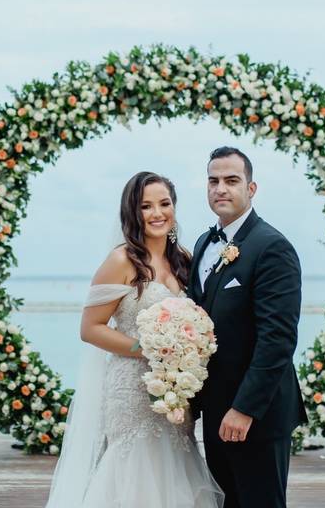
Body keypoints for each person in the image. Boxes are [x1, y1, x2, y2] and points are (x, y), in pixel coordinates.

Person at [45, 171, 224, 508]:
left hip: (174, 388)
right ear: (133, 212)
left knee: (176, 469)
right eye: (146, 206)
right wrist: (147, 348)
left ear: (174, 208)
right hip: (131, 389)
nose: (157, 213)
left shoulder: (184, 259)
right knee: (134, 474)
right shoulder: (121, 261)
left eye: (164, 203)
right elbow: (91, 327)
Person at [188, 146, 309, 508]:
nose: (220, 189)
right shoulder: (204, 242)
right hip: (216, 412)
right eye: (213, 181)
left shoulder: (272, 247)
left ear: (251, 189)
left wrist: (245, 409)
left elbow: (278, 339)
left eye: (231, 180)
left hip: (258, 415)